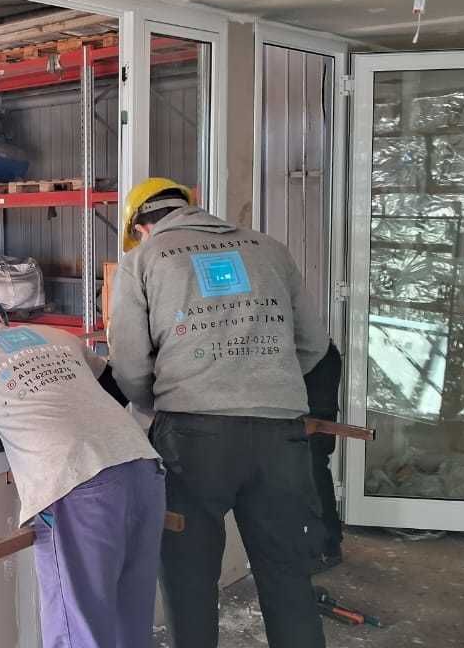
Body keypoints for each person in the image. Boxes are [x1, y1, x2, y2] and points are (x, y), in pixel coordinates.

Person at [108, 178, 330, 648]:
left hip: (192, 436)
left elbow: (129, 366)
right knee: (288, 577)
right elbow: (313, 345)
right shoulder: (270, 248)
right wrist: (262, 378)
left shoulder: (143, 260)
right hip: (280, 434)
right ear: (191, 207)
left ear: (141, 227)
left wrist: (160, 402)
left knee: (190, 581)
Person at [0, 291, 164, 648]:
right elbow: (115, 388)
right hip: (142, 466)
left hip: (76, 484)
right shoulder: (57, 336)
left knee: (78, 630)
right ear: (2, 318)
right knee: (130, 620)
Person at [305, 342, 344, 571]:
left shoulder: (316, 350)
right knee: (314, 467)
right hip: (316, 411)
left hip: (313, 413)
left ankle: (326, 544)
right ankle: (327, 543)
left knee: (312, 468)